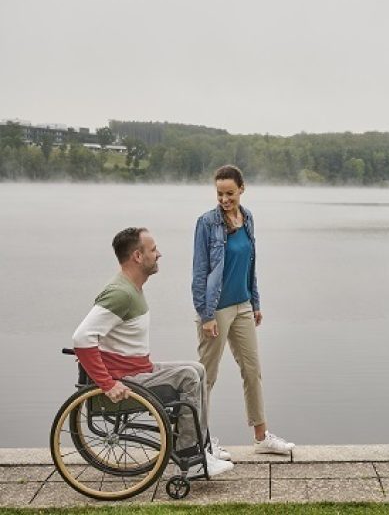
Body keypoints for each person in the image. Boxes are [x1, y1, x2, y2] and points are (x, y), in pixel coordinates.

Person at [72, 227, 234, 477]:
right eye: (153, 249)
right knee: (188, 377)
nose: (159, 254)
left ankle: (204, 447)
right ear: (137, 256)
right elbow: (82, 338)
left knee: (198, 369)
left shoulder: (131, 288)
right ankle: (190, 458)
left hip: (138, 369)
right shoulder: (120, 293)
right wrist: (107, 384)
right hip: (126, 380)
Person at [192, 165, 294, 455]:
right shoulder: (206, 223)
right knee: (206, 378)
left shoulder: (247, 218)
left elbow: (250, 264)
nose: (224, 199)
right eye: (220, 193)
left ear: (242, 190)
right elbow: (200, 273)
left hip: (243, 306)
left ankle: (261, 438)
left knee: (252, 370)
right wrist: (206, 314)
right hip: (216, 310)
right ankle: (200, 442)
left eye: (230, 194)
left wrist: (255, 302)